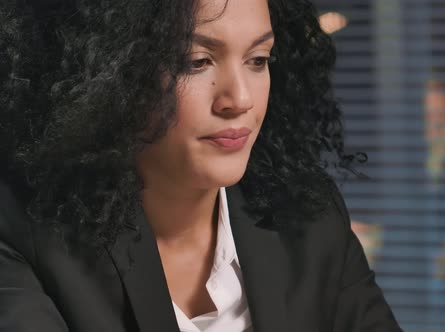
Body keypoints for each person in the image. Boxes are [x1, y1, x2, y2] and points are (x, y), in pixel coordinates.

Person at [0, 0, 403, 331]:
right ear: (110, 69)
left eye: (259, 59)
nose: (239, 98)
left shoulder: (309, 219)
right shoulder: (22, 238)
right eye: (197, 62)